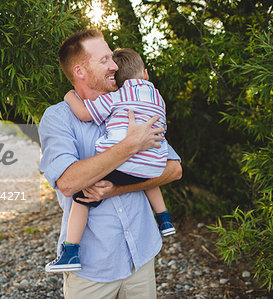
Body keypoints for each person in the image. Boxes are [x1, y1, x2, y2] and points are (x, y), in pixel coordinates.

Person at [39, 29, 182, 298]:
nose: (115, 65)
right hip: (93, 267)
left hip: (141, 254)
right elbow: (68, 182)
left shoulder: (132, 101)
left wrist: (117, 189)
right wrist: (129, 146)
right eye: (104, 60)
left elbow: (174, 169)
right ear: (80, 71)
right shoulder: (57, 118)